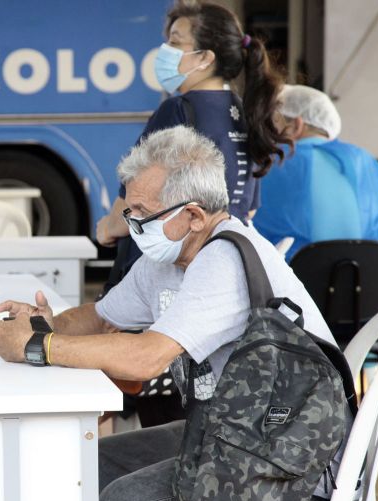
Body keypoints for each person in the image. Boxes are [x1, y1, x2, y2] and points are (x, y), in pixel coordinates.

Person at [0, 126, 339, 501]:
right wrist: (44, 323)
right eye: (130, 212)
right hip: (233, 429)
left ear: (192, 215)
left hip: (291, 449)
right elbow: (102, 317)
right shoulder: (168, 258)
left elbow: (144, 358)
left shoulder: (224, 261)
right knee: (91, 463)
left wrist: (38, 346)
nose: (133, 224)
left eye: (141, 213)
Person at [96, 1, 291, 289]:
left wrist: (106, 229)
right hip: (224, 265)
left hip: (168, 273)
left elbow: (133, 204)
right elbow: (247, 210)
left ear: (205, 58)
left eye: (176, 42)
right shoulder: (247, 111)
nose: (166, 51)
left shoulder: (177, 111)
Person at [253, 84, 378, 300]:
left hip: (299, 310)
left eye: (275, 125)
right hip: (372, 305)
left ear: (296, 125)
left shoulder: (272, 165)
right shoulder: (362, 160)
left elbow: (252, 230)